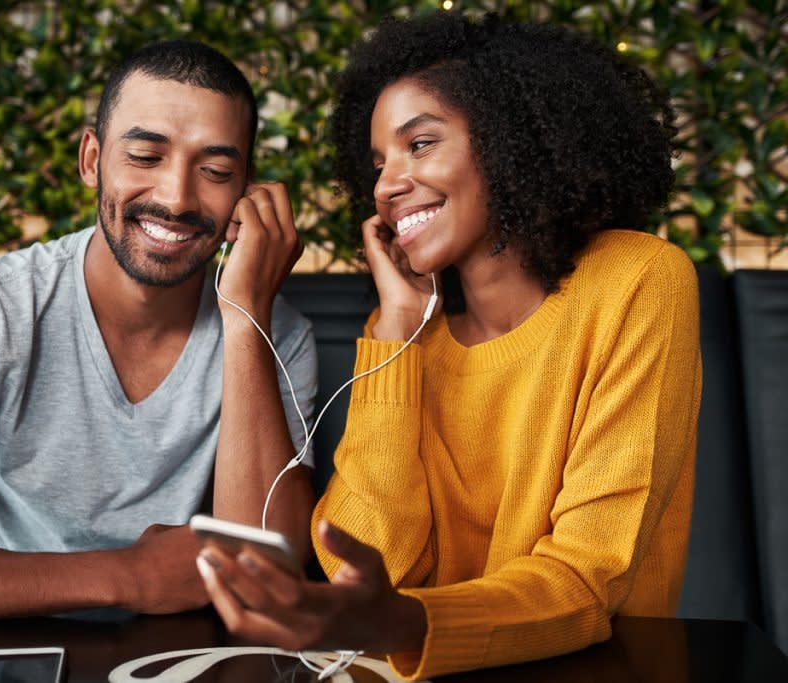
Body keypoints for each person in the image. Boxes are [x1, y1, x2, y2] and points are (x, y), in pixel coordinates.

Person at [197, 12, 701, 679]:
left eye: (420, 144)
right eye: (378, 163)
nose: (387, 183)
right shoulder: (408, 333)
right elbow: (374, 565)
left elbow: (588, 579)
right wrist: (397, 329)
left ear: (509, 139)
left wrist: (406, 620)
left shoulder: (640, 280)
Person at [0, 40, 318, 624]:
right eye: (145, 157)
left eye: (215, 171)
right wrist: (127, 577)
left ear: (245, 192)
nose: (177, 197)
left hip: (173, 654)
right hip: (2, 642)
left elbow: (269, 580)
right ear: (91, 161)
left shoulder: (275, 332)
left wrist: (246, 310)